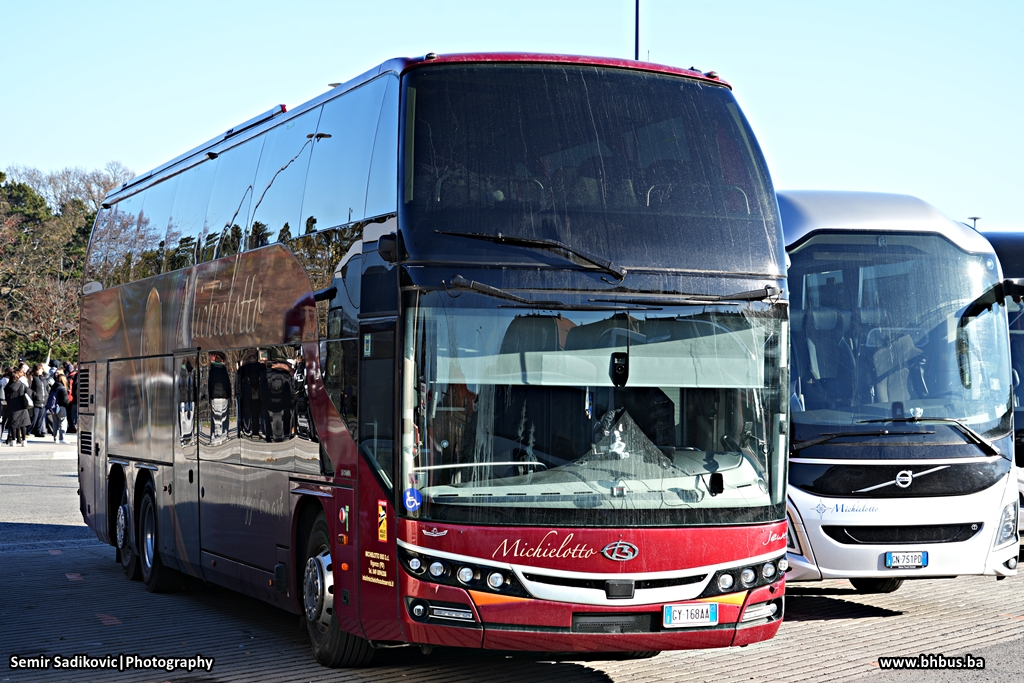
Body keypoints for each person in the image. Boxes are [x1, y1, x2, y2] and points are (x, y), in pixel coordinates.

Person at [5, 369, 31, 446]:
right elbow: (29, 392)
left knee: (13, 424)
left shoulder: (7, 387)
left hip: (11, 407)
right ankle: (24, 441)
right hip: (22, 407)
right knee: (23, 424)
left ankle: (13, 440)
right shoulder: (21, 385)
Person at [46, 372, 70, 444]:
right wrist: (67, 404)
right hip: (61, 407)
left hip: (53, 407)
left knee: (55, 422)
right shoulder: (62, 388)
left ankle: (55, 438)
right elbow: (65, 400)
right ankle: (62, 438)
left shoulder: (53, 387)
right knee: (63, 422)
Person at [29, 364, 49, 438]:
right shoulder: (33, 378)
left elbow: (47, 388)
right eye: (39, 369)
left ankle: (38, 431)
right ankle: (28, 431)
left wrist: (47, 395)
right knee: (34, 418)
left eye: (42, 369)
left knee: (41, 418)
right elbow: (29, 388)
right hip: (36, 401)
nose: (41, 371)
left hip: (43, 401)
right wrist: (34, 394)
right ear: (36, 370)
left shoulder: (44, 379)